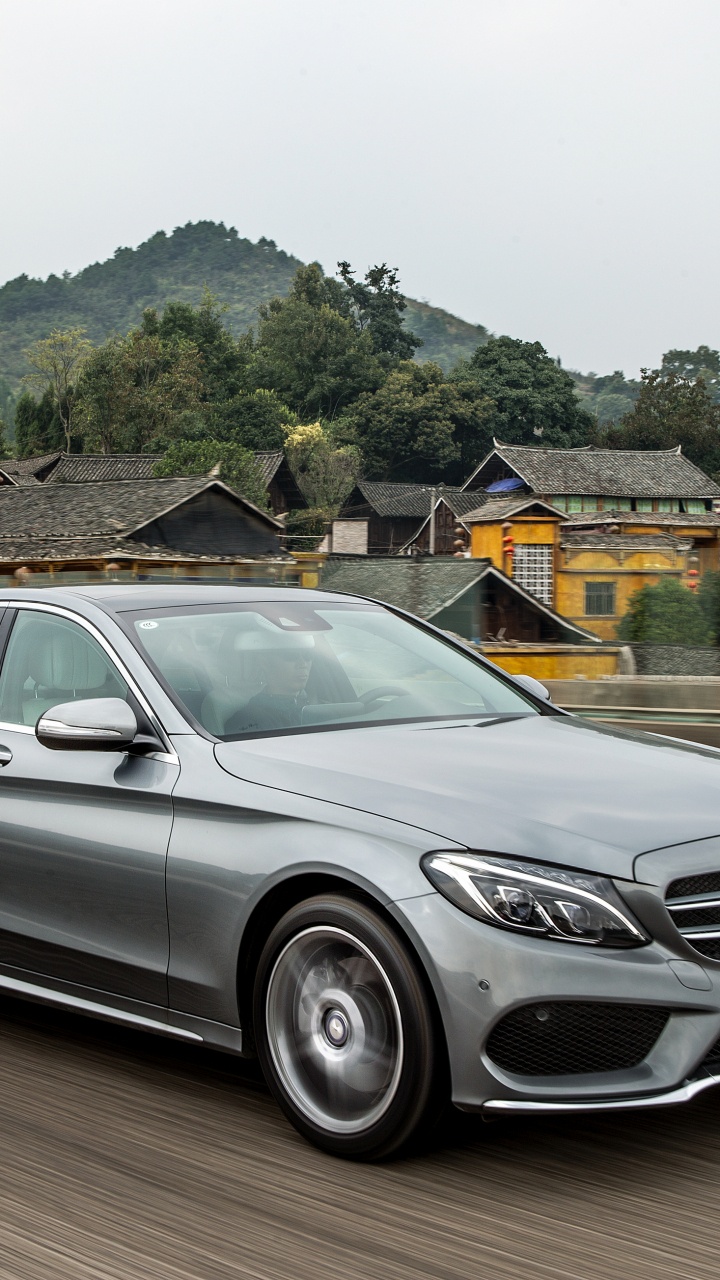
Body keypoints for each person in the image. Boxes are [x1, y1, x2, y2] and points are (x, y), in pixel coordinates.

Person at [225, 631, 315, 734]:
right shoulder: (248, 721)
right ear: (265, 662)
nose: (303, 664)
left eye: (308, 655)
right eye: (291, 655)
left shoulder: (319, 706)